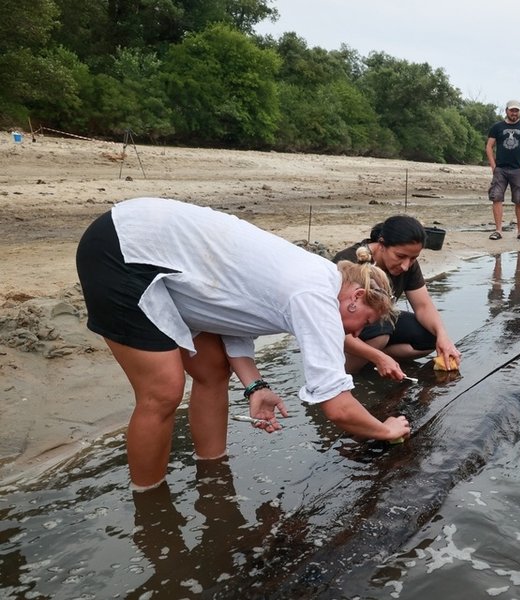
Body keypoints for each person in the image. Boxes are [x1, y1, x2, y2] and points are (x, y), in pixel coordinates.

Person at [75, 197, 411, 492]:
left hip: (168, 255)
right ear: (355, 297)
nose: (358, 333)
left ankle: (212, 473)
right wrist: (384, 429)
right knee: (163, 390)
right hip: (125, 247)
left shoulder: (319, 278)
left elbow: (235, 314)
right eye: (365, 321)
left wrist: (255, 387)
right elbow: (337, 406)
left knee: (213, 370)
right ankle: (149, 504)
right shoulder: (315, 295)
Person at [332, 215, 461, 379]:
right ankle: (347, 374)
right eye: (400, 256)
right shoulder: (349, 263)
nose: (406, 266)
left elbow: (423, 306)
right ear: (382, 244)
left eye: (413, 258)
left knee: (430, 336)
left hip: (378, 325)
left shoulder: (408, 263)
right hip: (344, 331)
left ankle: (372, 359)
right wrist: (378, 356)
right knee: (381, 331)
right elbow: (329, 324)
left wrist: (443, 337)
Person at [486, 99, 520, 241]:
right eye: (512, 110)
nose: (514, 113)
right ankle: (498, 230)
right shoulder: (497, 127)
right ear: (506, 111)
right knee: (496, 198)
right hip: (500, 169)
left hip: (518, 169)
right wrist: (493, 165)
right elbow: (489, 146)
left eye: (516, 110)